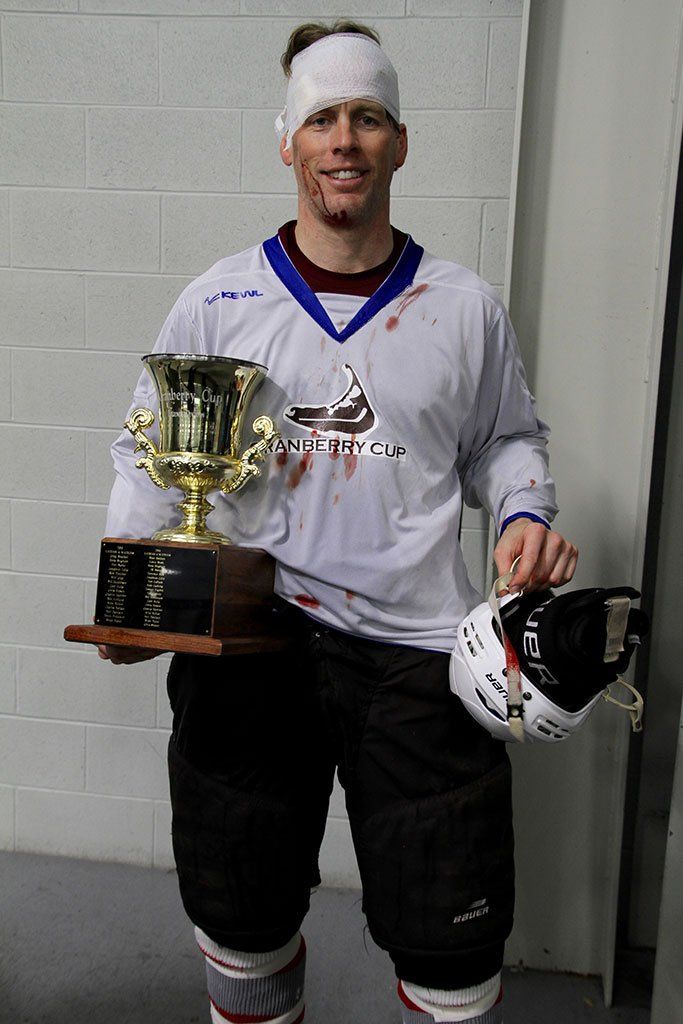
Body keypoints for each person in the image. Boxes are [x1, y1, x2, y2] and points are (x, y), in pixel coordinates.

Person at [99, 21, 577, 1024]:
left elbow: (506, 439)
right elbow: (150, 455)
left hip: (414, 654)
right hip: (249, 645)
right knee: (240, 917)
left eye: (366, 117)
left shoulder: (462, 308)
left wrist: (523, 509)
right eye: (321, 119)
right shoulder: (219, 300)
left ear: (399, 142)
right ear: (288, 142)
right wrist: (130, 596)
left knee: (452, 944)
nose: (344, 140)